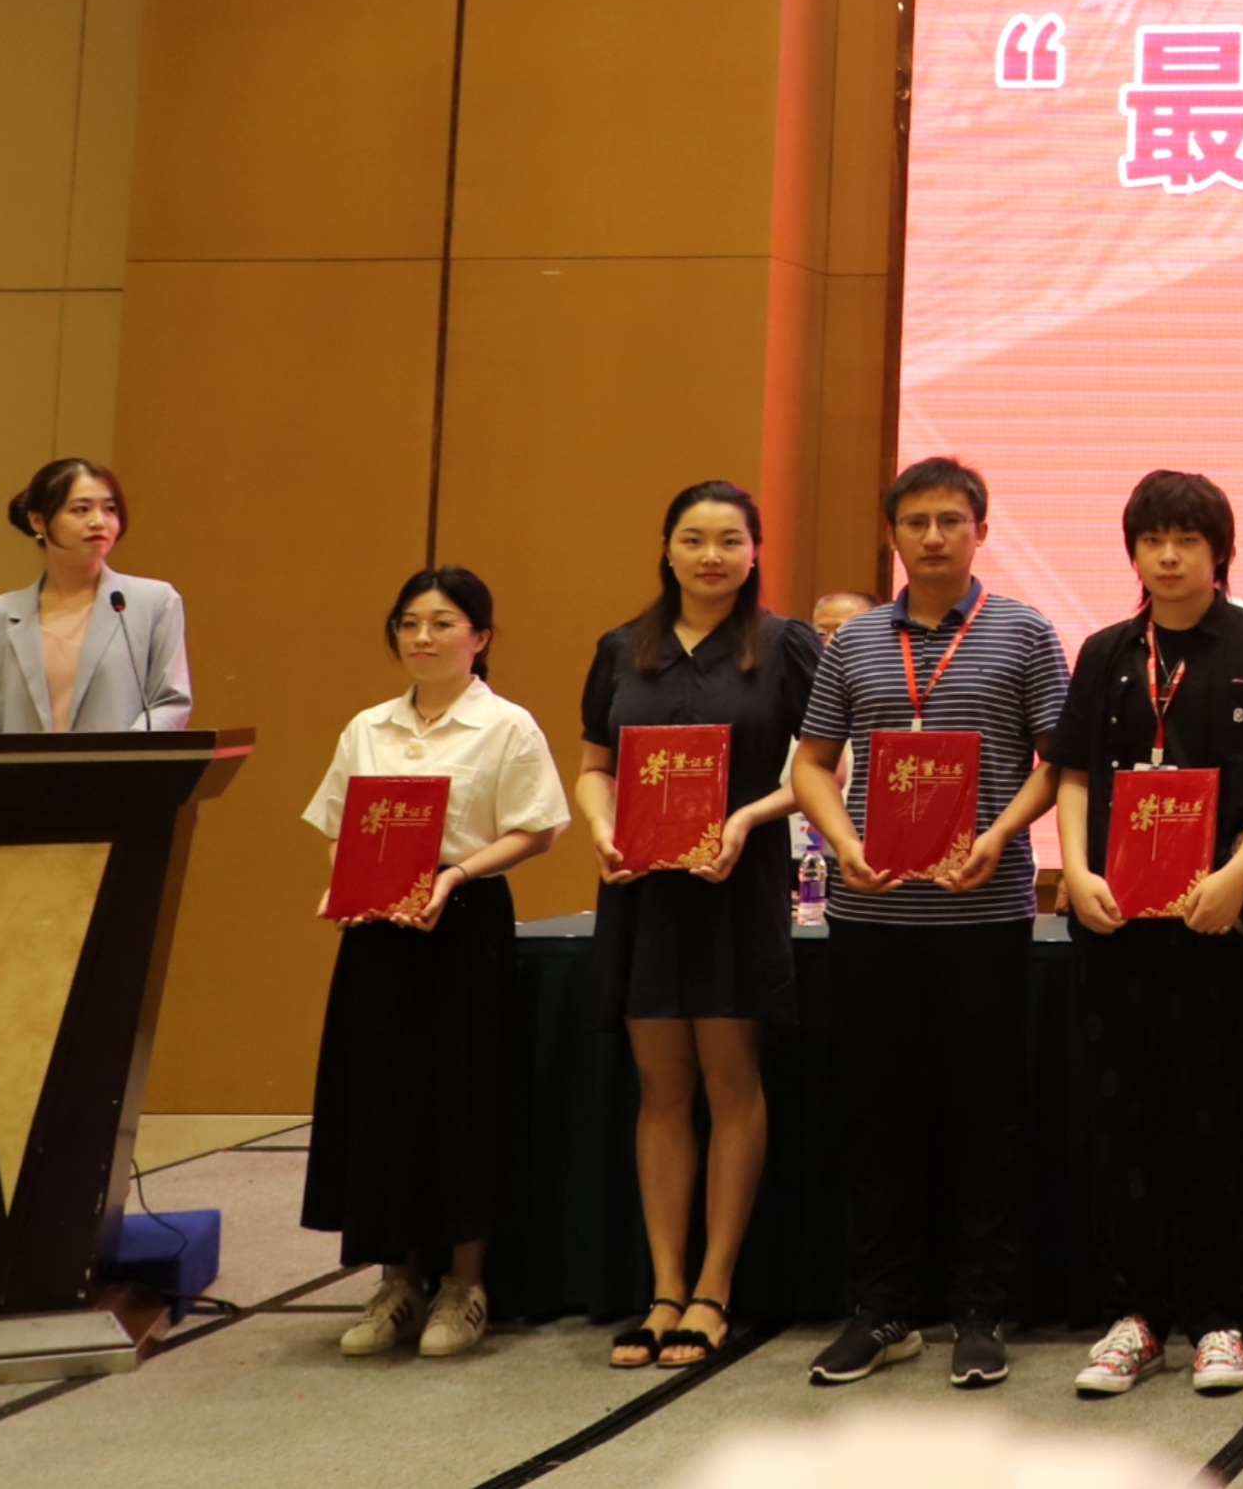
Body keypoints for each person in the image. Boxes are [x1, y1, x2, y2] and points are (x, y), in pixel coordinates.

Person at [789, 458, 1066, 1391]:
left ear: (981, 530)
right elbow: (813, 763)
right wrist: (842, 843)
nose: (934, 536)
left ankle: (980, 1310)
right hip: (871, 911)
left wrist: (996, 835)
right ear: (893, 536)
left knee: (986, 1115)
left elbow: (1058, 761)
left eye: (952, 520)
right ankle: (883, 1309)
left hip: (982, 910)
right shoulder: (857, 641)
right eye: (916, 522)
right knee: (878, 1114)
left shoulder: (1024, 631)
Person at [1050, 471, 1243, 1401]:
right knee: (1124, 1122)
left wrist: (1238, 872)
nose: (1168, 556)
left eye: (1187, 540)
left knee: (1220, 1121)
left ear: (1219, 552)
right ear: (1133, 551)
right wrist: (1075, 869)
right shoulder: (1105, 652)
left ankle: (1217, 1319)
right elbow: (1074, 773)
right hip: (1119, 927)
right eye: (1152, 540)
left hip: (1220, 926)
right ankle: (1134, 1318)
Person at [571, 481, 820, 1370]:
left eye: (729, 540)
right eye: (692, 538)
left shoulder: (785, 645)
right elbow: (594, 766)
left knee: (730, 1080)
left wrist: (748, 818)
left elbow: (820, 769)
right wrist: (601, 827)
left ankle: (714, 1288)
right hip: (642, 887)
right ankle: (664, 1288)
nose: (710, 555)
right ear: (666, 548)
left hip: (736, 880)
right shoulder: (620, 648)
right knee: (661, 1087)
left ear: (755, 553)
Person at [302, 566, 564, 1360]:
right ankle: (397, 1281)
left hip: (465, 922)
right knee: (379, 1098)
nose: (423, 636)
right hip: (378, 931)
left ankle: (464, 1285)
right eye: (409, 622)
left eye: (443, 623)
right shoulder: (368, 727)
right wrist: (349, 885)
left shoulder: (506, 725)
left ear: (479, 638)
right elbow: (340, 825)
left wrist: (455, 875)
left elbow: (538, 829)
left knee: (462, 1099)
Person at [0, 457, 193, 733]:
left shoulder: (154, 602)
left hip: (120, 762)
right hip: (20, 764)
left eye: (110, 509)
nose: (98, 522)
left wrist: (126, 752)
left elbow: (170, 702)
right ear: (38, 521)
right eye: (81, 509)